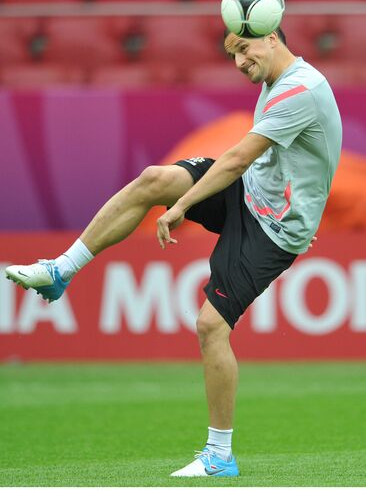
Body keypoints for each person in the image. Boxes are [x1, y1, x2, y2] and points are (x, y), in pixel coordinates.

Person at [5, 26, 342, 477]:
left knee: (210, 327)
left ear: (273, 37)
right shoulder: (275, 81)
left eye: (244, 49)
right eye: (231, 54)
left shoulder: (302, 88)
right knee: (152, 180)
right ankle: (61, 270)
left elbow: (238, 158)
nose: (239, 61)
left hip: (274, 229)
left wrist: (181, 207)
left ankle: (220, 457)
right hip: (252, 195)